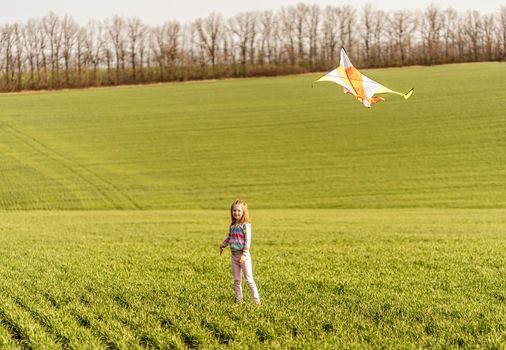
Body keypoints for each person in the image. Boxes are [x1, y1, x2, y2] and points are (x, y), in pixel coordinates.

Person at [220, 199, 261, 305]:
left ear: (243, 212)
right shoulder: (232, 225)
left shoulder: (245, 225)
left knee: (249, 279)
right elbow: (230, 237)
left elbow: (248, 240)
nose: (236, 213)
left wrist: (244, 254)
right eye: (234, 211)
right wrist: (224, 244)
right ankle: (239, 301)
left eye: (239, 211)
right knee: (237, 280)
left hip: (244, 256)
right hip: (234, 256)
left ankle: (257, 301)